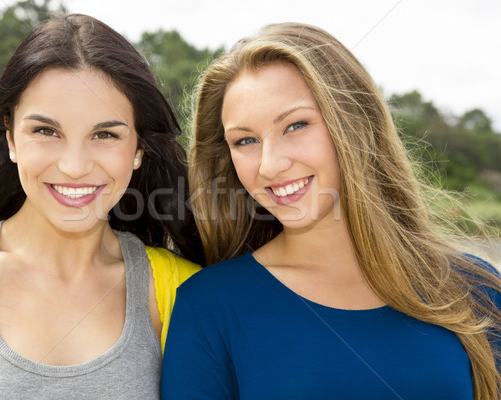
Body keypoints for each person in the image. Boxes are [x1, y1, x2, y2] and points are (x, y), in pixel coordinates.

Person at [161, 22, 501, 399]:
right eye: (245, 140)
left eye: (295, 125)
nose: (270, 165)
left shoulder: (476, 288)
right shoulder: (209, 307)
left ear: (355, 123)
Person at [0, 13, 204, 399]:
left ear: (139, 149)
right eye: (46, 131)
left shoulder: (185, 293)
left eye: (105, 134)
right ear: (10, 138)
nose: (74, 167)